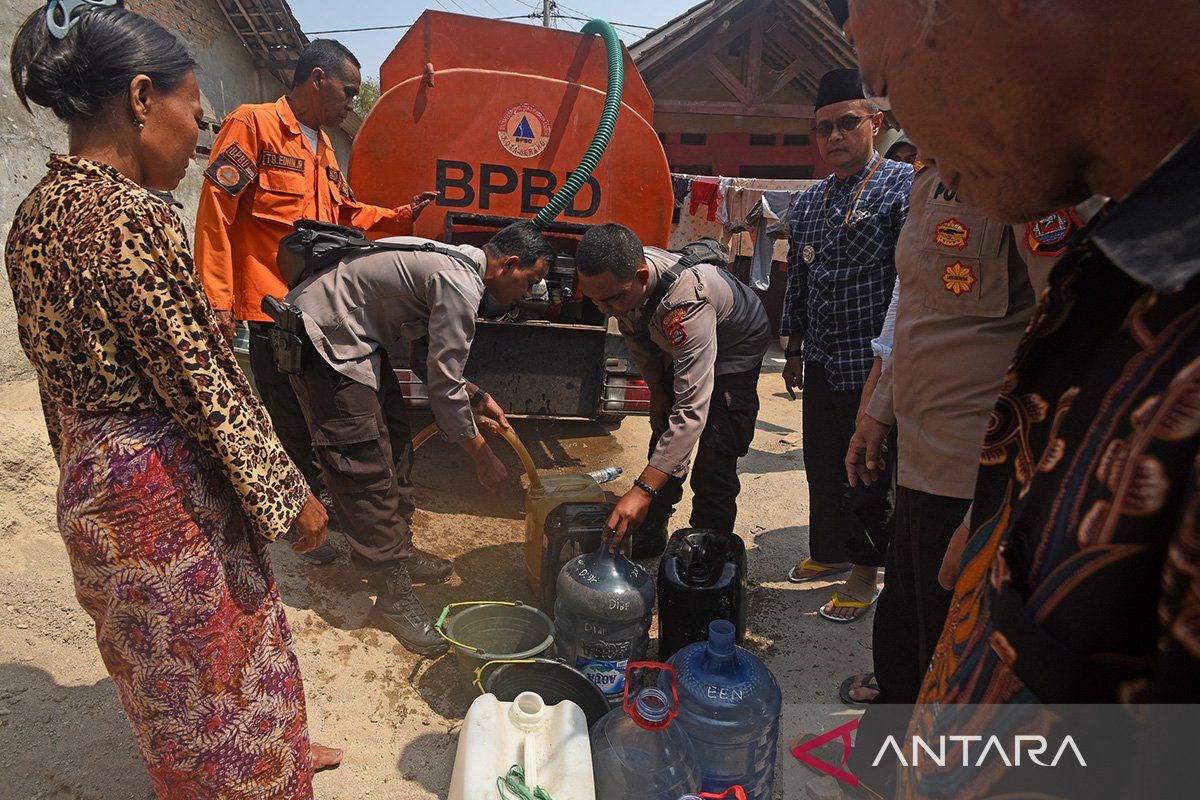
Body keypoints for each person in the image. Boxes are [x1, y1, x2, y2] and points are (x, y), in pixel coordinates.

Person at [846, 0, 1200, 795]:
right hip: (931, 452)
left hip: (966, 470)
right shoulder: (1123, 281)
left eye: (889, 82)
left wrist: (994, 507)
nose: (912, 139)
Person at [4, 4, 340, 796]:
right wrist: (290, 498)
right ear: (143, 98)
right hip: (162, 495)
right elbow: (206, 383)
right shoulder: (131, 217)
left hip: (94, 486)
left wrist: (75, 477)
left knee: (167, 670)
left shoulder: (32, 218)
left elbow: (56, 386)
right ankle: (257, 775)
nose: (197, 137)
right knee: (220, 647)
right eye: (195, 112)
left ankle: (278, 749)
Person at [194, 38, 437, 565]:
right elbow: (216, 209)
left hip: (323, 318)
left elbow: (345, 216)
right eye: (348, 92)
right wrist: (216, 297)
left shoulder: (323, 147)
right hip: (270, 313)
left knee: (330, 425)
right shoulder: (251, 124)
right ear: (317, 78)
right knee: (290, 428)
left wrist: (398, 217)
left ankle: (330, 517)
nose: (353, 102)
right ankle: (301, 530)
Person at [283, 222, 553, 654]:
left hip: (353, 339)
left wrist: (478, 397)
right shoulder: (460, 283)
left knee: (397, 440)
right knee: (364, 464)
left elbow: (426, 359)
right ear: (510, 264)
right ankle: (391, 593)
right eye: (530, 281)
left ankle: (398, 552)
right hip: (325, 340)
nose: (529, 293)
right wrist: (483, 456)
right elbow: (442, 389)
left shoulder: (455, 262)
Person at [781, 67, 914, 622]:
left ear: (874, 124)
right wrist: (792, 348)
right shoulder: (809, 202)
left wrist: (890, 369)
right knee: (824, 466)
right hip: (821, 360)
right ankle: (832, 551)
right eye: (823, 128)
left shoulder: (901, 188)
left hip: (874, 368)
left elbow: (908, 286)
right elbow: (798, 282)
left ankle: (867, 570)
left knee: (868, 471)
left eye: (846, 124)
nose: (833, 137)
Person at [575, 224, 772, 552]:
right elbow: (637, 338)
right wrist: (658, 393)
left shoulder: (684, 302)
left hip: (735, 350)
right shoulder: (623, 287)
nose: (603, 310)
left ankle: (709, 551)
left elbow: (693, 410)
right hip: (682, 344)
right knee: (663, 438)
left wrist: (640, 491)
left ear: (641, 276)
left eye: (610, 300)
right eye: (595, 300)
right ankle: (649, 533)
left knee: (715, 460)